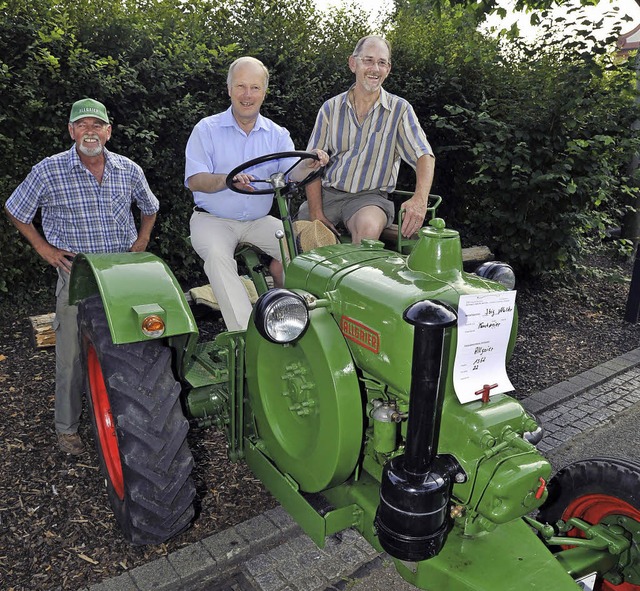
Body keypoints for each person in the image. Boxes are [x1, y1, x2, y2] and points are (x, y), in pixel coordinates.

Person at [4, 98, 159, 455]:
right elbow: (16, 209)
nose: (90, 132)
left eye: (97, 125)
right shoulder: (49, 170)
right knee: (71, 353)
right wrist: (44, 249)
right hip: (78, 274)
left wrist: (143, 239)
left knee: (137, 344)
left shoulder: (129, 170)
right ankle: (67, 428)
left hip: (123, 273)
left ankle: (132, 417)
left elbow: (150, 207)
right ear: (72, 131)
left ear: (108, 131)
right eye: (82, 125)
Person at [185, 56, 327, 332]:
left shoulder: (276, 133)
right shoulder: (206, 129)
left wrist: (311, 163)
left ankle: (300, 321)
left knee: (304, 251)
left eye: (254, 87)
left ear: (264, 92)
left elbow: (293, 174)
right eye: (240, 86)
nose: (247, 95)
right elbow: (195, 181)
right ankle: (247, 336)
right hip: (213, 219)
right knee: (217, 256)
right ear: (229, 89)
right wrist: (227, 181)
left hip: (260, 220)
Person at [298, 35, 436, 244]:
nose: (375, 68)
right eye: (368, 60)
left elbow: (424, 155)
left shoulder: (400, 110)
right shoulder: (330, 108)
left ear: (388, 70)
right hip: (327, 196)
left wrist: (420, 199)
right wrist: (316, 213)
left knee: (367, 229)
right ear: (353, 63)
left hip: (370, 199)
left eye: (382, 63)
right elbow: (311, 165)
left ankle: (356, 275)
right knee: (282, 264)